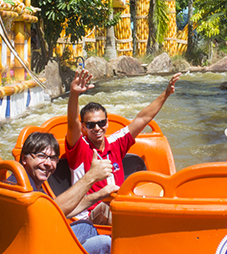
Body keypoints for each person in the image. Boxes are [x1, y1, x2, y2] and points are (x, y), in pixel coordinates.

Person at [64, 69, 181, 213]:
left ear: (107, 123)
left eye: (101, 123)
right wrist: (74, 94)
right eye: (90, 125)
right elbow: (72, 122)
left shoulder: (115, 143)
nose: (97, 128)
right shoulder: (80, 148)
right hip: (89, 213)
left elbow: (142, 119)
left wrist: (166, 93)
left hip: (119, 207)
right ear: (83, 127)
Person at [10, 132, 116, 254]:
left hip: (41, 240)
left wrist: (100, 194)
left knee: (86, 226)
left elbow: (60, 211)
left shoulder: (31, 182)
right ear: (24, 158)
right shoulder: (20, 186)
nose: (48, 163)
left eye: (53, 158)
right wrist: (91, 176)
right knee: (106, 244)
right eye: (41, 156)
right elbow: (51, 213)